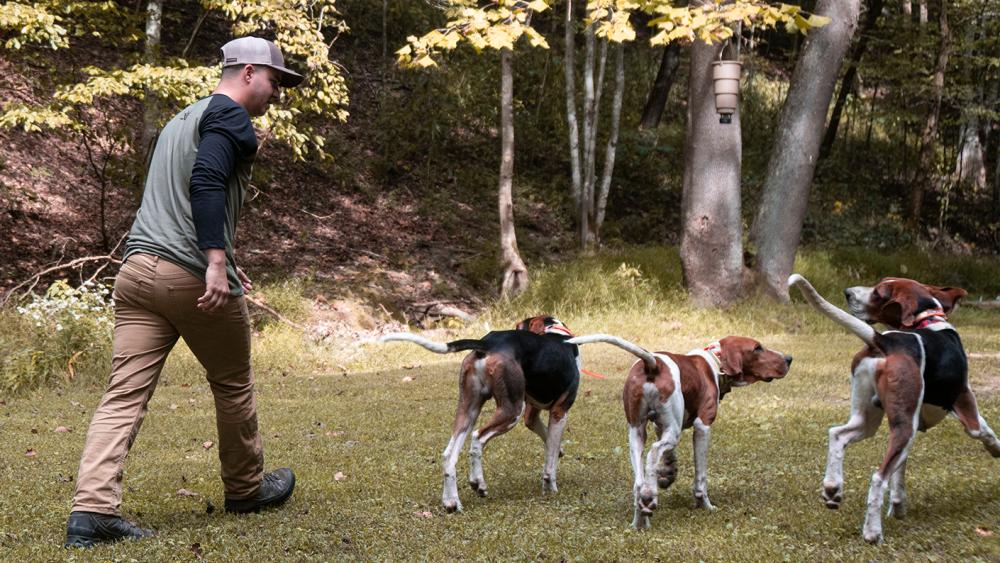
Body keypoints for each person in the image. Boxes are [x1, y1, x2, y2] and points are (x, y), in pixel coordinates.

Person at [64, 37, 305, 549]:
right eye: (275, 81)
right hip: (189, 274)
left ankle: (92, 511)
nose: (277, 93)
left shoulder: (181, 120)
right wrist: (216, 261)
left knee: (123, 394)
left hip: (135, 272)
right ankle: (245, 489)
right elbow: (206, 181)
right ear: (247, 73)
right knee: (233, 382)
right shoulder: (230, 118)